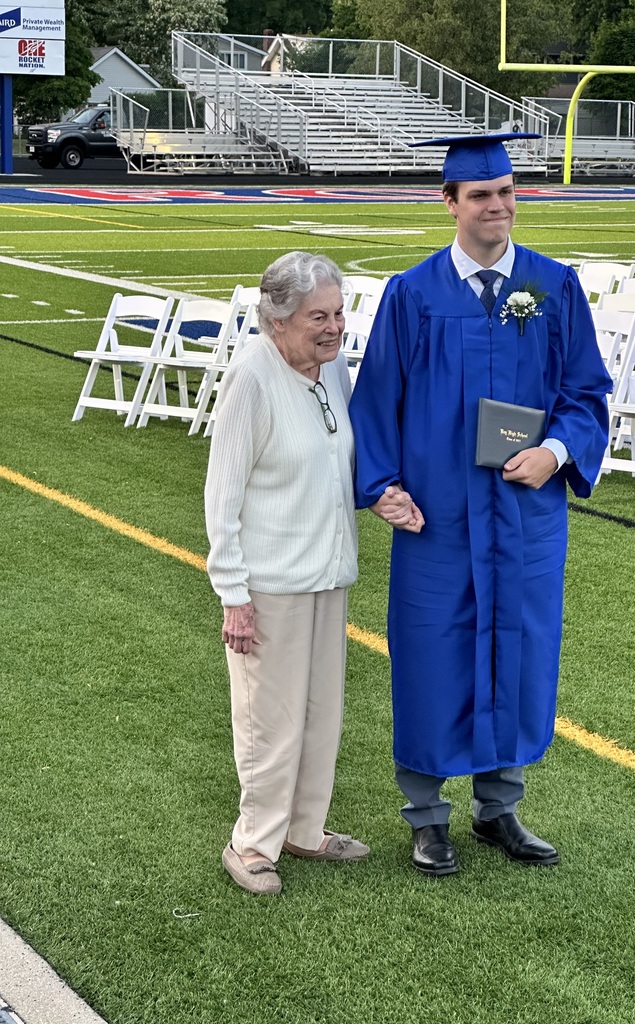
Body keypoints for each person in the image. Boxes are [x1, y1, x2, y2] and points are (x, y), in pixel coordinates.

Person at [349, 134, 611, 877]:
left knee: (518, 651)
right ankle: (426, 818)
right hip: (439, 519)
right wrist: (382, 487)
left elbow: (586, 394)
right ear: (450, 203)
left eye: (506, 192)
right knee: (432, 654)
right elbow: (378, 403)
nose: (498, 207)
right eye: (480, 196)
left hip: (525, 517)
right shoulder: (414, 294)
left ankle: (500, 809)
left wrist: (555, 453)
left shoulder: (554, 286)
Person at [204, 251, 369, 895]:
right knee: (269, 719)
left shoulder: (331, 372)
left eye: (338, 313)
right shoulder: (251, 376)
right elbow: (223, 494)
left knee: (321, 712)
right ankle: (252, 843)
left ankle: (306, 829)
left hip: (330, 572)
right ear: (277, 321)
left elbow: (343, 458)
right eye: (316, 317)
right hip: (269, 581)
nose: (333, 328)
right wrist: (233, 595)